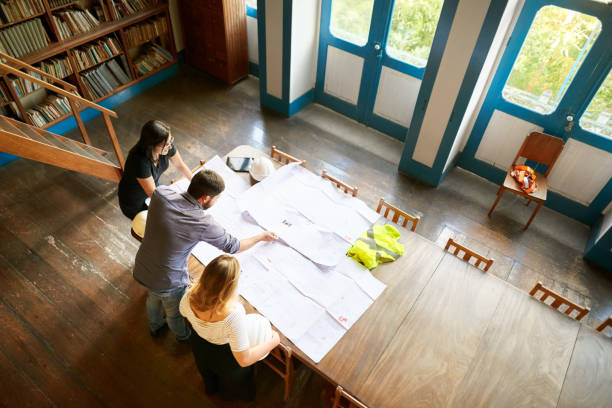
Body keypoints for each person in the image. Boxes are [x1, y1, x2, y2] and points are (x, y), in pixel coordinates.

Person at [132, 169, 277, 342]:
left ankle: (154, 326)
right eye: (217, 198)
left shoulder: (161, 194)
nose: (217, 201)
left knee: (153, 298)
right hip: (168, 280)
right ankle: (183, 336)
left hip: (142, 266)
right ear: (205, 198)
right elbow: (234, 246)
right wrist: (260, 236)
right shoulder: (202, 223)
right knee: (174, 314)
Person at [180, 255, 280, 402]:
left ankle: (210, 388)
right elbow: (244, 360)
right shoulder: (233, 314)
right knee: (235, 378)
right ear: (230, 288)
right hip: (225, 353)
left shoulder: (189, 295)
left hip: (199, 342)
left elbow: (183, 313)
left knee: (205, 370)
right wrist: (273, 342)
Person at [118, 120, 193, 219]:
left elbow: (180, 165)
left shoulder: (166, 147)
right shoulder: (139, 161)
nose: (170, 146)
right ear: (151, 144)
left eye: (170, 141)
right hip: (134, 200)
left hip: (153, 187)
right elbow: (153, 195)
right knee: (153, 224)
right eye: (166, 144)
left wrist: (196, 184)